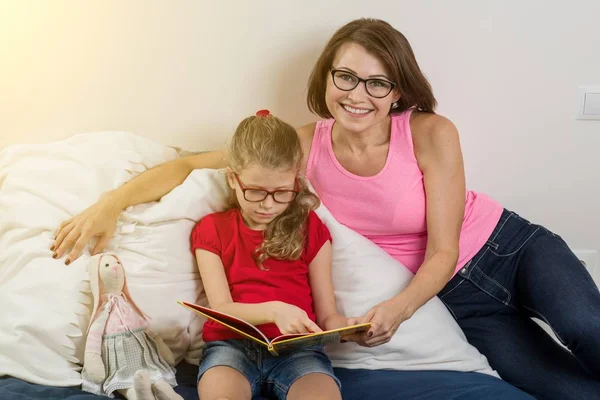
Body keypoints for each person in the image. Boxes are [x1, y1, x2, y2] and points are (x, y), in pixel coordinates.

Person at [50, 17, 599, 399]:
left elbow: (446, 248)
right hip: (457, 300)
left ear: (397, 90)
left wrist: (399, 309)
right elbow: (190, 163)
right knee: (559, 389)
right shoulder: (302, 147)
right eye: (345, 77)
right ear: (326, 78)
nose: (358, 94)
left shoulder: (431, 132)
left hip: (508, 250)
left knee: (585, 326)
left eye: (377, 82)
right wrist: (111, 204)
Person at [190, 112, 346, 400]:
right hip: (231, 347)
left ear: (295, 184)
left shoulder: (311, 228)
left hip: (299, 351)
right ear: (233, 179)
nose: (268, 204)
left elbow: (327, 314)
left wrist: (348, 329)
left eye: (281, 193)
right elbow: (221, 308)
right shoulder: (212, 229)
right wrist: (274, 310)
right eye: (256, 191)